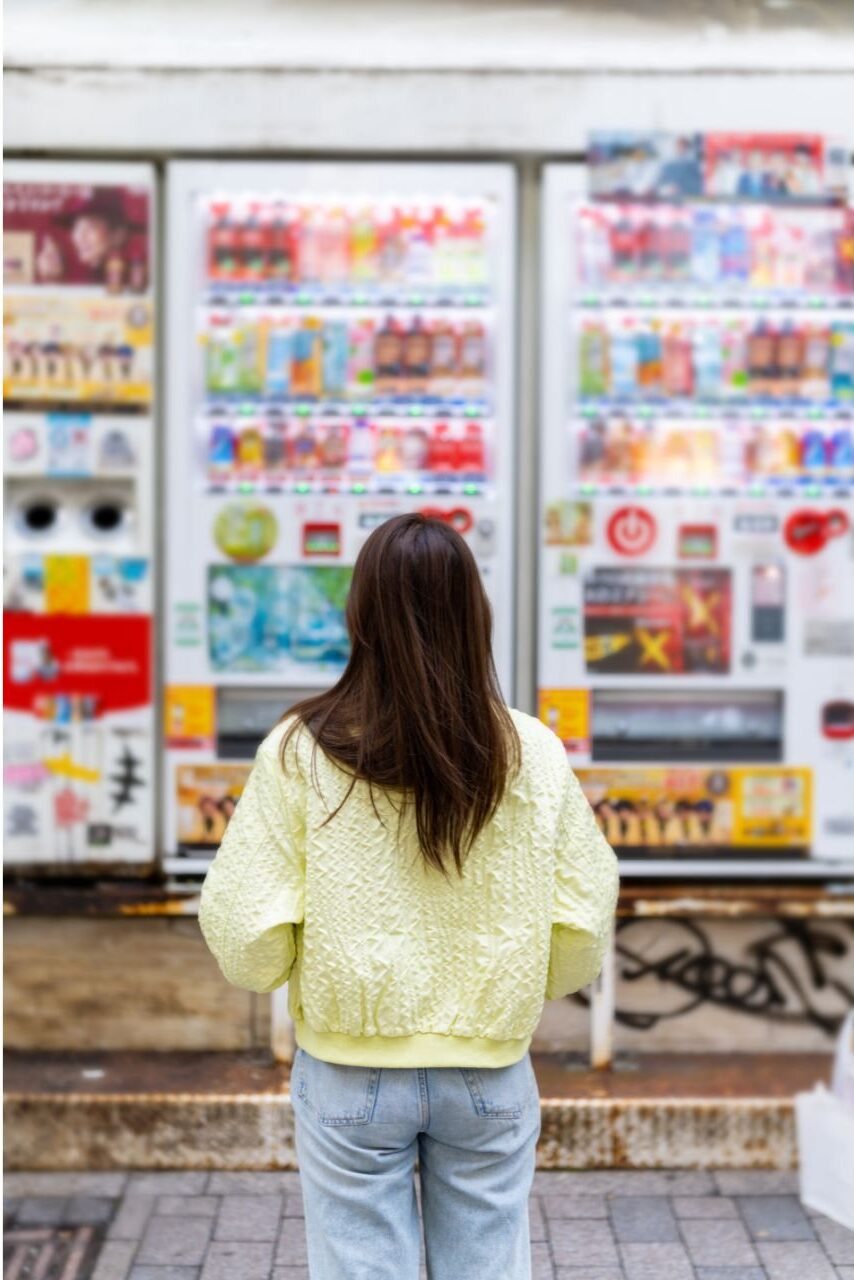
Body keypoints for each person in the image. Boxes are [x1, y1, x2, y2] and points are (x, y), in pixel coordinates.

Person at [198, 513, 619, 1280]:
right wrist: (520, 984)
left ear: (359, 614)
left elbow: (244, 932)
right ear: (475, 616)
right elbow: (585, 914)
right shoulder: (531, 750)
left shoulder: (299, 748)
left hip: (347, 1070)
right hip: (489, 1069)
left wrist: (300, 967)